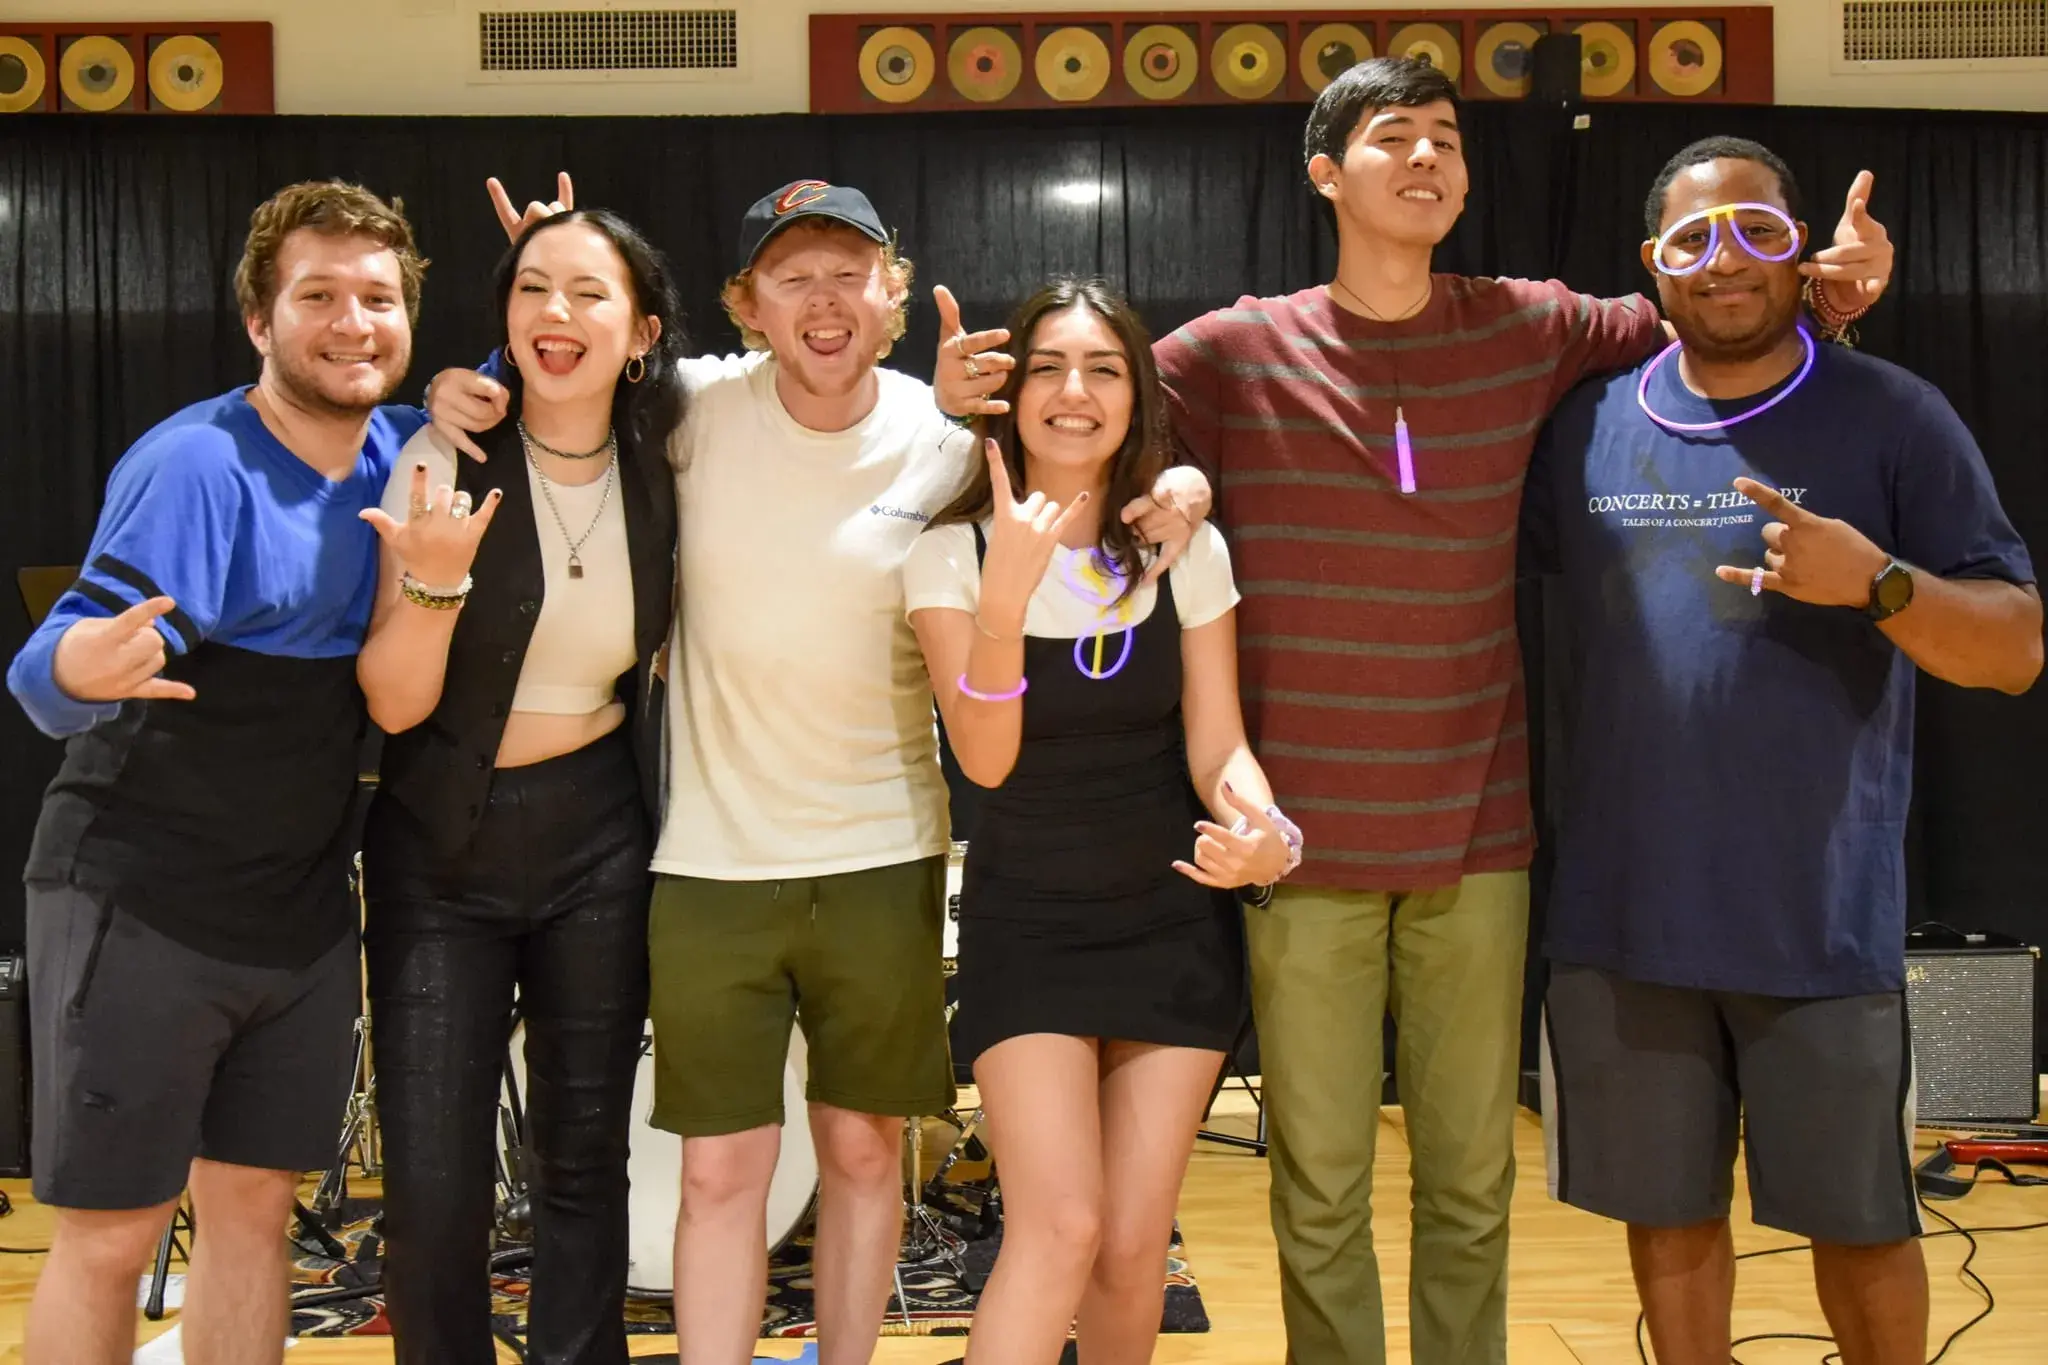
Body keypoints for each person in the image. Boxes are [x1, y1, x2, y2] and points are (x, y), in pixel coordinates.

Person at [931, 57, 1899, 1365]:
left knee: (1469, 1185)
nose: (1430, 158)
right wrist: (974, 417)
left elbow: (1706, 319)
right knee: (1318, 1189)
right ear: (1328, 172)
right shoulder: (1231, 351)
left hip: (1477, 834)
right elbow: (1082, 410)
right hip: (1299, 845)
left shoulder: (1529, 322)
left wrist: (1819, 295)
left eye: (1447, 138)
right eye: (1395, 138)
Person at [424, 177, 1213, 1365]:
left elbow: (1097, 456)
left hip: (883, 854)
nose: (824, 297)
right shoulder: (686, 409)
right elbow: (561, 380)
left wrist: (1182, 491)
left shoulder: (950, 444)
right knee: (722, 1169)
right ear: (746, 303)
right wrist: (506, 328)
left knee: (856, 1155)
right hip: (708, 860)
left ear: (893, 291)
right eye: (791, 275)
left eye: (850, 270)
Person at [1523, 136, 2040, 1365]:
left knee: (1857, 1225)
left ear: (1800, 253)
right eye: (1693, 239)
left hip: (1814, 913)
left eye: (1756, 228)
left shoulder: (1890, 413)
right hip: (1623, 908)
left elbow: (2013, 647)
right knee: (1665, 1216)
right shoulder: (1584, 427)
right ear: (1653, 268)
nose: (1726, 260)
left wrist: (1877, 584)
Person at [5, 181, 428, 1365]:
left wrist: (543, 269)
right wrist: (80, 664)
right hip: (143, 901)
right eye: (318, 297)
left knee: (252, 1215)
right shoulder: (197, 465)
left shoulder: (409, 453)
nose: (352, 322)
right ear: (259, 320)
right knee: (114, 1231)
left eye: (378, 298)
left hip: (293, 920)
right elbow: (45, 673)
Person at [904, 279, 1295, 1365]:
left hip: (1169, 930)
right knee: (1062, 1224)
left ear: (1136, 396)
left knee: (1131, 1247)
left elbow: (1218, 750)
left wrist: (1268, 833)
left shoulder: (1182, 545)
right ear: (1010, 393)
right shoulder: (951, 553)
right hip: (1027, 928)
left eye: (1102, 369)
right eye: (1046, 368)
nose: (1072, 393)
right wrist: (1001, 604)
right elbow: (983, 764)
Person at [354, 207, 685, 1365]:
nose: (556, 314)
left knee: (584, 1157)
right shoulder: (443, 457)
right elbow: (394, 705)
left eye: (588, 293)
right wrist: (436, 588)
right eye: (531, 288)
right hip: (442, 838)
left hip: (599, 832)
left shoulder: (669, 457)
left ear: (640, 331)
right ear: (501, 317)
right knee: (435, 1180)